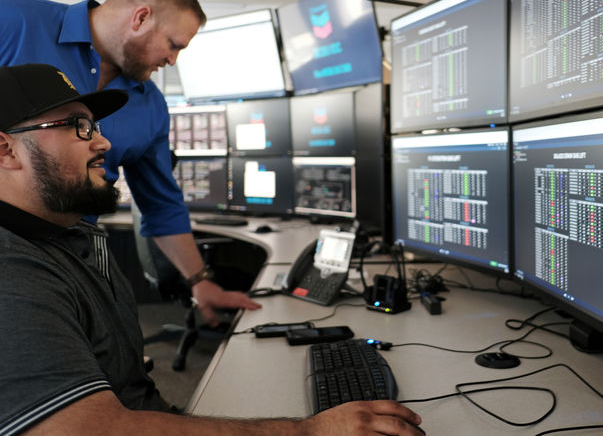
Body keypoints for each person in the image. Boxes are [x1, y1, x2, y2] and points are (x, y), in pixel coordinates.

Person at [0, 63, 423, 436]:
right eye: (78, 126)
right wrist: (307, 432)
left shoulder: (66, 238)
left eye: (95, 126)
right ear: (6, 150)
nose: (103, 143)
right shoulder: (12, 270)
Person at [0, 0, 257, 323]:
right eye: (174, 44)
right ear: (140, 18)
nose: (172, 60)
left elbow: (161, 203)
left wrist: (200, 281)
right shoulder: (16, 22)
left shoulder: (150, 106)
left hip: (74, 256)